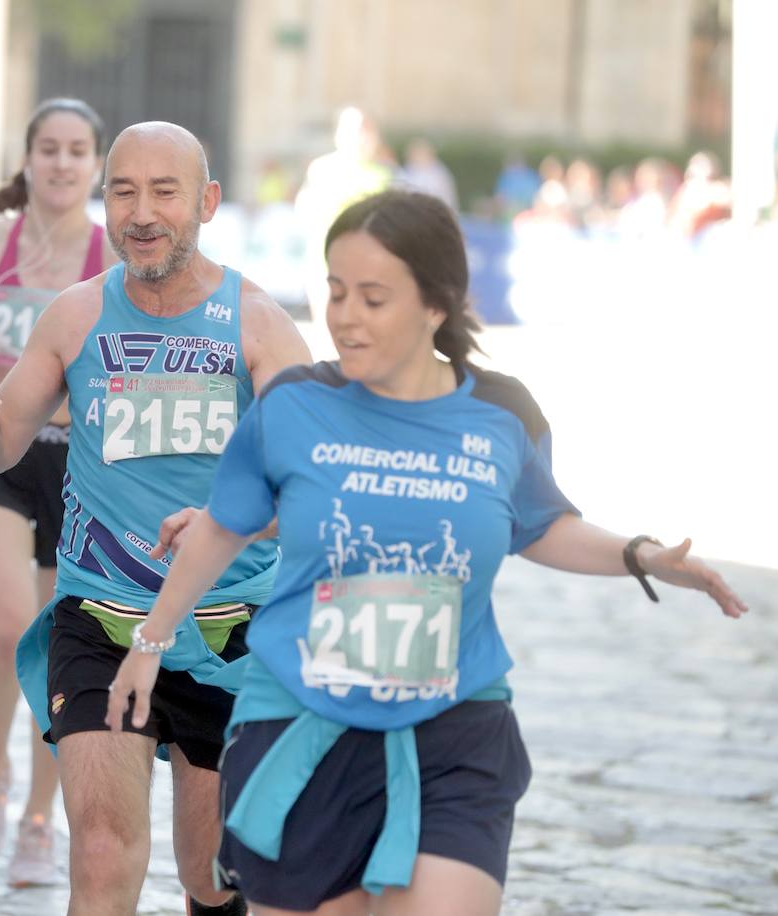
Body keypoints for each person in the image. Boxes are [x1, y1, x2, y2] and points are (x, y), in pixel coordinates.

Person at [104, 189, 749, 916]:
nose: (345, 316)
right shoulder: (291, 407)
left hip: (454, 725)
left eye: (373, 298)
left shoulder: (501, 415)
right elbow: (224, 525)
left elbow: (538, 524)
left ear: (436, 305)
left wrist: (642, 556)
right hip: (303, 721)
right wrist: (149, 643)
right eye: (337, 292)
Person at [0, 121, 313, 916]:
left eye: (164, 192)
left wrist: (234, 521)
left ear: (205, 201)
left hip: (229, 627)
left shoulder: (258, 323)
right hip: (102, 616)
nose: (141, 212)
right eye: (123, 191)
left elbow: (317, 484)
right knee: (100, 851)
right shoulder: (74, 316)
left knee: (209, 871)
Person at [0, 97, 116, 886]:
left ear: (96, 164)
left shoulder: (115, 259)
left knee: (55, 646)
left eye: (79, 150)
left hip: (80, 467)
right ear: (30, 157)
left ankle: (40, 820)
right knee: (9, 627)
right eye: (50, 148)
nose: (64, 163)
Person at [294, 106, 391, 321]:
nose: (362, 136)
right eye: (356, 130)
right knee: (328, 328)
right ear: (340, 134)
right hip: (326, 264)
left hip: (369, 267)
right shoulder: (323, 169)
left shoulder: (384, 174)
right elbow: (304, 209)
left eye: (367, 130)